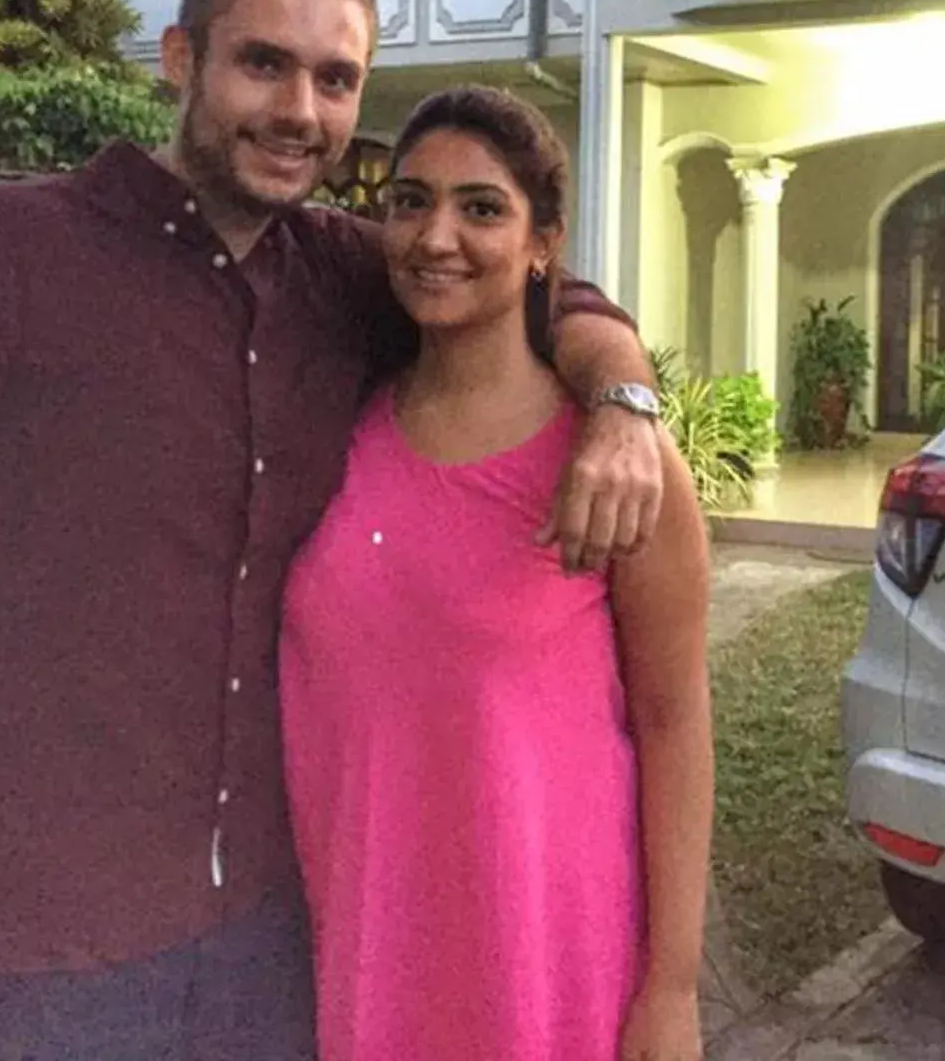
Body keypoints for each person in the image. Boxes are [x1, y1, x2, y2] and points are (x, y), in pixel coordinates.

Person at [0, 0, 668, 1061]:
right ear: (180, 59)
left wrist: (623, 398)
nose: (300, 111)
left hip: (267, 953)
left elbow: (534, 288)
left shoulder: (341, 276)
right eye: (262, 63)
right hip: (20, 960)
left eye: (336, 80)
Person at [281, 85, 712, 1061]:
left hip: (546, 955)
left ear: (542, 243)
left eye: (481, 208)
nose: (438, 235)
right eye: (409, 200)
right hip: (361, 942)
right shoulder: (333, 426)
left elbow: (673, 720)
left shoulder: (615, 465)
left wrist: (674, 985)